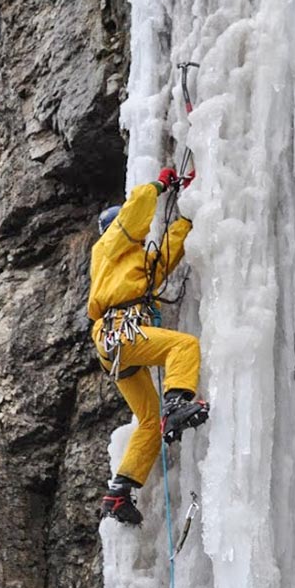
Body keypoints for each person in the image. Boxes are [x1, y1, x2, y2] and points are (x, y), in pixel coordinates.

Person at [89, 167, 209, 526]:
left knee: (148, 421)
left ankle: (119, 492)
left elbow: (166, 255)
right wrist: (161, 185)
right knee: (183, 347)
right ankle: (177, 404)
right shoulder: (109, 247)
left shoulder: (134, 264)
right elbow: (136, 208)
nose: (141, 239)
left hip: (114, 344)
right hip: (120, 330)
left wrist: (189, 214)